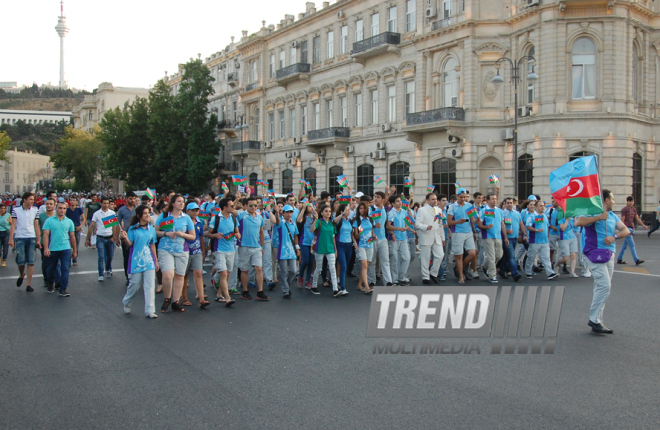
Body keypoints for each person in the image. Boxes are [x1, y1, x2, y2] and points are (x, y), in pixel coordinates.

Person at [575, 189, 630, 334]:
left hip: (609, 254)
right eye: (612, 199)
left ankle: (598, 320)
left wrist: (614, 237)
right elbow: (578, 221)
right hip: (594, 253)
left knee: (602, 286)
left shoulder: (612, 215)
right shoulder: (593, 212)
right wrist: (598, 217)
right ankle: (594, 319)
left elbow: (625, 230)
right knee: (605, 286)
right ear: (606, 200)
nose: (614, 201)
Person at [155, 195, 196, 312]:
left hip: (182, 250)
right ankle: (167, 298)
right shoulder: (163, 216)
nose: (181, 204)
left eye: (183, 202)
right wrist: (166, 234)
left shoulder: (186, 218)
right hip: (165, 248)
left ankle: (176, 301)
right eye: (179, 201)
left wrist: (182, 234)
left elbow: (192, 236)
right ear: (173, 203)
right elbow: (155, 231)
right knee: (168, 275)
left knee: (179, 276)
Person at [120, 204, 159, 318]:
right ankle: (127, 301)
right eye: (145, 213)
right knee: (135, 285)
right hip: (136, 261)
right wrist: (125, 237)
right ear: (139, 215)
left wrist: (155, 261)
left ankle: (150, 310)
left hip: (149, 261)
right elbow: (130, 244)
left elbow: (152, 245)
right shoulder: (132, 229)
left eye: (148, 213)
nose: (148, 215)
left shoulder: (151, 229)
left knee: (150, 286)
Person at [206, 197, 239, 307]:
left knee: (227, 273)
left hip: (231, 249)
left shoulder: (233, 218)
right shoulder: (216, 219)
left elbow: (237, 231)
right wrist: (215, 235)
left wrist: (238, 235)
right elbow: (208, 233)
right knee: (224, 273)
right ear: (225, 208)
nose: (233, 208)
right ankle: (228, 298)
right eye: (231, 206)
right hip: (219, 249)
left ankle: (219, 293)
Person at [236, 196, 269, 301]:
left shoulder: (259, 217)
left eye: (255, 205)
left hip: (257, 247)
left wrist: (262, 246)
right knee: (244, 270)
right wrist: (237, 199)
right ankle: (245, 291)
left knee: (259, 268)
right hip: (244, 246)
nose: (254, 207)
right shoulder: (241, 215)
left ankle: (260, 291)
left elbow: (262, 232)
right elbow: (231, 209)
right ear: (246, 205)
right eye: (251, 205)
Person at [42, 201, 76, 297]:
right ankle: (50, 282)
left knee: (65, 268)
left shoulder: (69, 221)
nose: (62, 210)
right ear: (56, 209)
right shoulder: (49, 221)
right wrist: (46, 248)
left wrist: (74, 250)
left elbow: (72, 237)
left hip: (65, 248)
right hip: (53, 249)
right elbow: (45, 235)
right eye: (60, 208)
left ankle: (63, 288)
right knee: (51, 269)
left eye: (64, 208)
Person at [8, 192, 41, 292]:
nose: (32, 201)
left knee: (31, 261)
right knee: (21, 261)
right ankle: (22, 274)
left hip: (31, 236)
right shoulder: (16, 210)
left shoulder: (35, 210)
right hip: (19, 237)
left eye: (33, 199)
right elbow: (13, 225)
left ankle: (28, 284)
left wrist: (38, 239)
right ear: (25, 200)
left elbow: (36, 225)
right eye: (30, 199)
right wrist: (11, 238)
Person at [180, 202, 209, 309]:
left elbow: (201, 237)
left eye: (197, 210)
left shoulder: (199, 222)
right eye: (193, 210)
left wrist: (203, 251)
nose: (195, 212)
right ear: (187, 211)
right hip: (185, 251)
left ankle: (201, 299)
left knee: (198, 273)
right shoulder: (183, 222)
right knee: (185, 275)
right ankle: (184, 298)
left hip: (197, 251)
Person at [446, 188, 477, 284]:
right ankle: (461, 276)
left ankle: (460, 268)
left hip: (468, 232)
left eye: (465, 197)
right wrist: (458, 221)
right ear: (457, 196)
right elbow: (449, 222)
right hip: (457, 232)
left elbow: (473, 219)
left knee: (472, 253)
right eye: (461, 197)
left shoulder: (469, 205)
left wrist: (477, 220)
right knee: (459, 255)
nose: (463, 199)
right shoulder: (452, 207)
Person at [85, 196, 119, 282]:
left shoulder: (111, 213)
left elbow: (114, 226)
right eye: (104, 203)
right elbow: (92, 226)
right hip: (100, 238)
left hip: (109, 238)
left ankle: (108, 269)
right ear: (101, 203)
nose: (106, 205)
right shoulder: (97, 214)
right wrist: (87, 238)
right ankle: (101, 274)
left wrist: (113, 237)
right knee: (101, 257)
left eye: (107, 203)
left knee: (110, 256)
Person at [310, 204, 340, 296]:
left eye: (329, 211)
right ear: (322, 213)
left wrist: (335, 250)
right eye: (326, 211)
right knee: (319, 268)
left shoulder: (332, 223)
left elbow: (333, 237)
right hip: (320, 248)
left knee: (332, 269)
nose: (328, 213)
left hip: (330, 248)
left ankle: (335, 289)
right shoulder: (319, 221)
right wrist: (315, 219)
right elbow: (312, 230)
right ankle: (314, 286)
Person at [415, 193, 445, 284]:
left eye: (435, 199)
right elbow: (417, 224)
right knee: (425, 258)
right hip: (426, 235)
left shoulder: (439, 210)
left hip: (437, 237)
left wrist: (443, 238)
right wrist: (426, 227)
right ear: (427, 200)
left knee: (440, 255)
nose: (435, 201)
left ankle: (433, 273)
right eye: (432, 199)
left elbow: (440, 225)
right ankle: (425, 277)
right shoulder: (422, 210)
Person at [476, 194, 507, 283]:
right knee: (491, 256)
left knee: (499, 255)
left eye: (495, 199)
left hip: (498, 236)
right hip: (487, 236)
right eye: (492, 199)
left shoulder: (500, 211)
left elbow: (502, 224)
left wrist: (505, 237)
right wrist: (486, 227)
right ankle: (492, 275)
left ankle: (485, 266)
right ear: (488, 200)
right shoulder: (483, 210)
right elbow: (479, 224)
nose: (494, 200)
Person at [524, 202, 559, 280]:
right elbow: (528, 227)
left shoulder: (545, 216)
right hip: (535, 241)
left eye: (543, 206)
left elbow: (547, 227)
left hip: (545, 241)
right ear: (536, 207)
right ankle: (528, 272)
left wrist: (548, 237)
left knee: (546, 258)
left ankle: (550, 273)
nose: (542, 207)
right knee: (531, 257)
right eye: (540, 206)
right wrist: (536, 230)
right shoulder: (531, 216)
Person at [272, 204, 300, 299]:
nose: (289, 214)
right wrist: (276, 212)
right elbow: (277, 221)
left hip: (291, 250)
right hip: (283, 251)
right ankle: (285, 291)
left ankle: (286, 285)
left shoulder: (293, 224)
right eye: (287, 212)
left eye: (291, 212)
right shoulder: (281, 223)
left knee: (293, 270)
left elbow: (296, 235)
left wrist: (297, 248)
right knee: (284, 272)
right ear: (283, 213)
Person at [367, 191, 393, 287]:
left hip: (383, 238)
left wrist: (391, 233)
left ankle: (388, 282)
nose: (375, 199)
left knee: (385, 261)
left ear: (382, 199)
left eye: (378, 197)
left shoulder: (384, 210)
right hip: (372, 238)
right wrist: (374, 225)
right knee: (372, 261)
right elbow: (366, 222)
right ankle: (371, 280)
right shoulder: (371, 209)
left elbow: (385, 224)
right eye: (375, 197)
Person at [616, 196, 647, 265]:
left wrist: (643, 225)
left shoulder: (634, 210)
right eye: (630, 201)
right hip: (627, 229)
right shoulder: (624, 209)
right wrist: (623, 229)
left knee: (625, 245)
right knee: (632, 245)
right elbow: (622, 220)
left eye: (632, 201)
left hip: (631, 228)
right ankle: (636, 260)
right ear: (627, 202)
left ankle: (619, 259)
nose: (631, 203)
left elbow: (637, 219)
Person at [500, 197, 524, 282]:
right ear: (505, 204)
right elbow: (500, 227)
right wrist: (506, 236)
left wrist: (524, 234)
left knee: (507, 256)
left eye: (511, 203)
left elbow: (521, 224)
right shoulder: (502, 214)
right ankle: (515, 273)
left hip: (515, 238)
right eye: (508, 203)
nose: (509, 204)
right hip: (507, 238)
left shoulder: (517, 213)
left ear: (513, 204)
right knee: (512, 256)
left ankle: (502, 270)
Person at [353, 201, 375, 294]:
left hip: (370, 244)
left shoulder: (370, 219)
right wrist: (360, 231)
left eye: (363, 208)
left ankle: (359, 285)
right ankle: (367, 287)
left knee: (366, 266)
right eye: (360, 208)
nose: (362, 210)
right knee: (364, 265)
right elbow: (356, 235)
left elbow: (372, 231)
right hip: (361, 244)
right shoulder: (356, 220)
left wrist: (374, 236)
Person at [335, 204, 357, 294]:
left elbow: (351, 233)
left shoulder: (349, 221)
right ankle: (343, 287)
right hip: (340, 245)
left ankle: (340, 280)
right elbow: (334, 221)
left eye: (348, 210)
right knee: (343, 266)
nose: (348, 212)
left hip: (349, 245)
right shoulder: (339, 221)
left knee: (346, 265)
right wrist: (342, 214)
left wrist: (354, 242)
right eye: (346, 210)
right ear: (342, 211)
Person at [117, 191, 137, 285]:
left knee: (136, 256)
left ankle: (135, 275)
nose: (132, 200)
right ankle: (128, 276)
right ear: (126, 199)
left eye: (134, 198)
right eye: (130, 198)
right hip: (125, 236)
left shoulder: (138, 209)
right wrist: (117, 237)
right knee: (127, 257)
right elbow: (117, 223)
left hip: (137, 235)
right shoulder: (121, 210)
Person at [296, 201, 316, 291]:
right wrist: (303, 208)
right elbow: (298, 220)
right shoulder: (303, 217)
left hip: (312, 242)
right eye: (309, 206)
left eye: (312, 206)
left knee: (311, 262)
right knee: (305, 261)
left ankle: (308, 280)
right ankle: (300, 275)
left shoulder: (314, 217)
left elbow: (313, 229)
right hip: (304, 241)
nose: (311, 208)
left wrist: (316, 218)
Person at [65, 196, 85, 266]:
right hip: (69, 229)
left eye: (74, 200)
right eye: (71, 200)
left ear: (77, 202)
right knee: (68, 245)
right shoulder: (67, 210)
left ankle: (75, 259)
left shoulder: (79, 210)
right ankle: (69, 259)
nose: (72, 201)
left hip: (77, 229)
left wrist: (80, 226)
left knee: (76, 245)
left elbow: (83, 218)